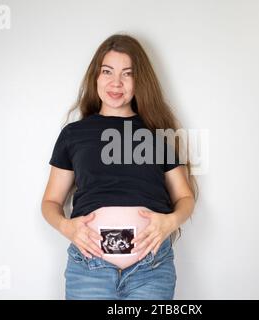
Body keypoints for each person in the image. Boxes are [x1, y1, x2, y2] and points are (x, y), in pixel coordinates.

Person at [41, 33, 197, 300]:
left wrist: (169, 221)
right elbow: (50, 202)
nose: (116, 82)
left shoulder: (157, 135)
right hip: (89, 269)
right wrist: (67, 227)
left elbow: (185, 197)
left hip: (151, 270)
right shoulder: (74, 134)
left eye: (127, 73)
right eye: (107, 71)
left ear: (140, 81)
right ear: (96, 77)